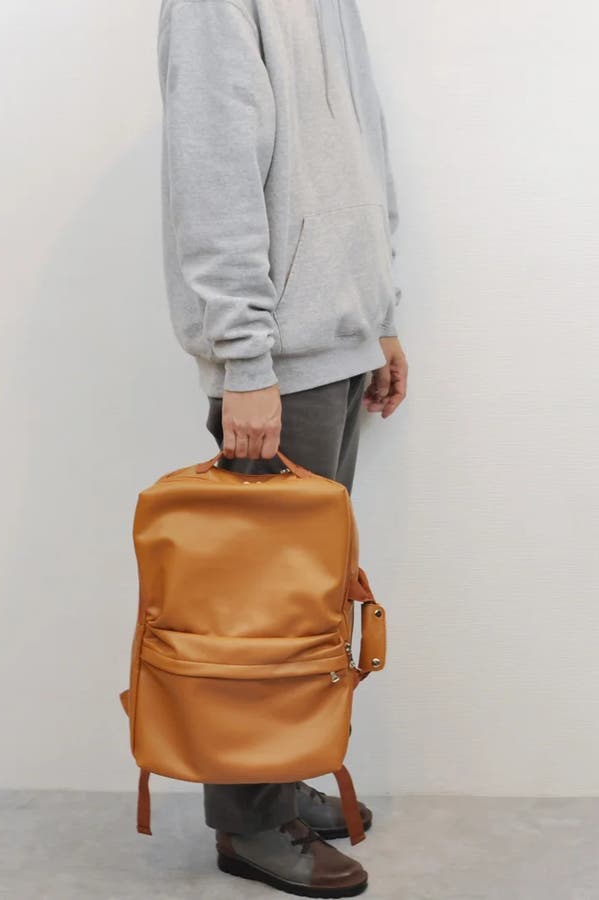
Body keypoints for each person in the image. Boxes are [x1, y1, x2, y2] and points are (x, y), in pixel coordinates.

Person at [156, 0, 408, 895]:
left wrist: (379, 318)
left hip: (334, 341)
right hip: (276, 362)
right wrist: (244, 361)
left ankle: (279, 774)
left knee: (307, 607)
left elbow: (363, 154)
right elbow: (214, 174)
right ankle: (251, 823)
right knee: (256, 613)